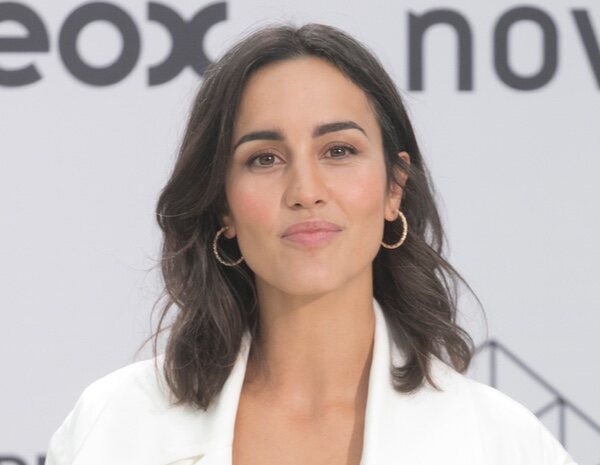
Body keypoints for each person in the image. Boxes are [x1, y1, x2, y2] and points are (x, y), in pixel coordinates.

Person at [45, 22, 577, 465]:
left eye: (339, 151)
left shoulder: (504, 444)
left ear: (394, 188)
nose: (306, 191)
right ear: (223, 207)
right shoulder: (112, 425)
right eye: (265, 159)